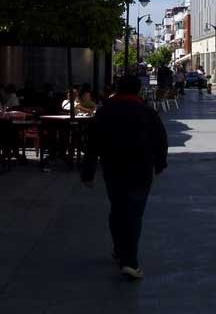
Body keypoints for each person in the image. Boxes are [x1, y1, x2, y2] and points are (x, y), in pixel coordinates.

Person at [81, 76, 168, 280]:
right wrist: (160, 164)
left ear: (117, 89)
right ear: (137, 90)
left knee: (118, 209)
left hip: (113, 168)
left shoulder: (104, 111)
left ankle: (119, 249)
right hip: (140, 170)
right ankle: (130, 261)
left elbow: (92, 144)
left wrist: (88, 173)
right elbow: (161, 139)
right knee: (134, 214)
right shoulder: (147, 112)